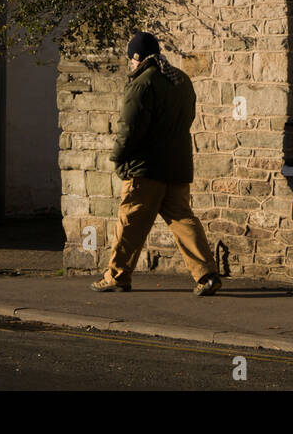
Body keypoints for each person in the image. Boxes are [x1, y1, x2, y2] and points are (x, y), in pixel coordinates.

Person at [92, 31, 222, 296]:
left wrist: (118, 157)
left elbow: (129, 129)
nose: (130, 64)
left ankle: (117, 276)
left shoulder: (142, 83)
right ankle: (207, 275)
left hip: (146, 168)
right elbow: (187, 118)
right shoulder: (181, 80)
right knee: (183, 220)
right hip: (177, 166)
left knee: (130, 223)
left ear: (137, 58)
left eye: (131, 59)